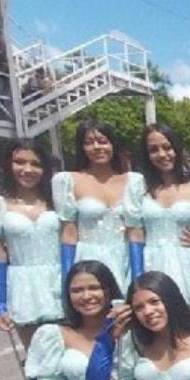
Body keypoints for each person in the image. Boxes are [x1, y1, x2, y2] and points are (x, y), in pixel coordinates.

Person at [0, 141, 62, 352]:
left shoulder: (58, 201)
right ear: (8, 164)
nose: (28, 170)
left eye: (36, 164)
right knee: (37, 358)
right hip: (23, 287)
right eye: (20, 162)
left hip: (59, 283)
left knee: (68, 358)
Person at [124, 124, 190, 315]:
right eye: (154, 150)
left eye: (167, 147)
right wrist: (137, 276)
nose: (162, 154)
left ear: (177, 148)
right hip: (151, 262)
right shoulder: (138, 188)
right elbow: (134, 233)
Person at [53, 119, 133, 292]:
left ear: (113, 144)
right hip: (87, 260)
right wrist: (68, 279)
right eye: (89, 143)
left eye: (103, 141)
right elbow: (69, 232)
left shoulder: (133, 181)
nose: (97, 147)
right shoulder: (68, 180)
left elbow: (137, 230)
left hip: (124, 259)